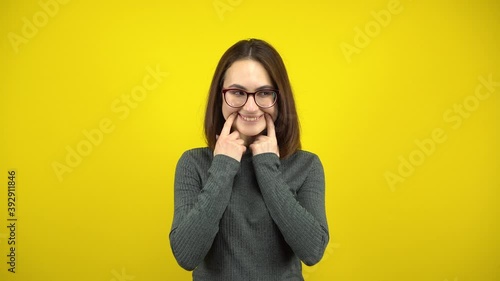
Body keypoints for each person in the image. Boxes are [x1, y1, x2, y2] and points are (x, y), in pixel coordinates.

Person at [169, 38, 329, 280]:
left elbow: (313, 251)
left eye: (264, 93)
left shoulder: (306, 165)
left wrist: (267, 166)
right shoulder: (193, 163)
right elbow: (186, 255)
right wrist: (223, 165)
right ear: (220, 96)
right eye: (237, 92)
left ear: (280, 97)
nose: (251, 107)